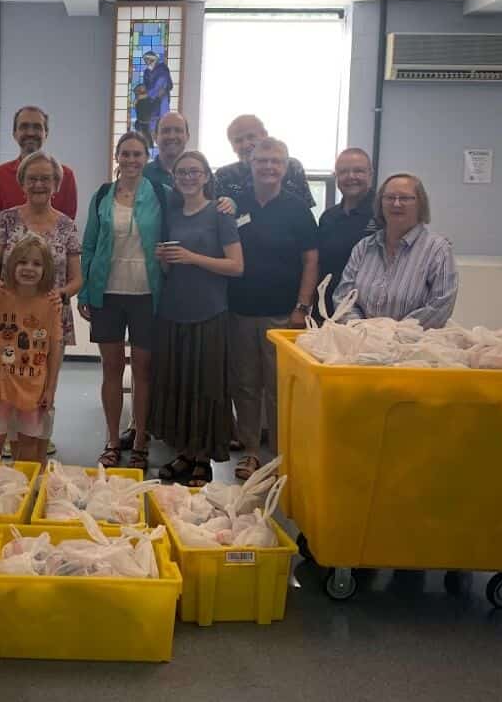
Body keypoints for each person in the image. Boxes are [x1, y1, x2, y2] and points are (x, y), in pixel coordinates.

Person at [226, 137, 318, 481]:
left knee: (279, 388)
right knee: (245, 385)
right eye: (262, 160)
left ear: (284, 166)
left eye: (275, 161)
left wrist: (302, 305)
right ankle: (250, 451)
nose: (268, 167)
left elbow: (311, 260)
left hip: (282, 314)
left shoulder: (297, 209)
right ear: (251, 163)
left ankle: (280, 453)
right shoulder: (234, 204)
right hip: (240, 311)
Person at [150, 151, 244, 487]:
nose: (188, 177)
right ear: (174, 179)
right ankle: (186, 452)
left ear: (206, 176)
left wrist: (191, 257)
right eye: (181, 173)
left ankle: (203, 458)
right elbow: (168, 267)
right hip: (173, 312)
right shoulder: (171, 214)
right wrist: (165, 259)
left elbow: (236, 266)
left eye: (194, 172)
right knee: (179, 385)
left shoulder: (220, 214)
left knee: (207, 388)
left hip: (209, 312)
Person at [79, 132, 167, 471]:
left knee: (143, 371)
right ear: (117, 157)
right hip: (108, 293)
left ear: (147, 157)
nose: (131, 160)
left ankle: (141, 439)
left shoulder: (160, 193)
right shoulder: (103, 195)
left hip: (147, 294)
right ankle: (112, 440)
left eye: (137, 154)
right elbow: (88, 245)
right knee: (111, 369)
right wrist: (86, 291)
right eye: (125, 154)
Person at [0, 150, 82, 457]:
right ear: (22, 183)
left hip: (48, 317)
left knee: (40, 381)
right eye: (33, 178)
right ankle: (7, 437)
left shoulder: (67, 226)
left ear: (56, 184)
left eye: (46, 178)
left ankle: (34, 438)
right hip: (10, 317)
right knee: (5, 379)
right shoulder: (7, 218)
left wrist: (61, 294)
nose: (39, 184)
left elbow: (78, 278)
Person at [334, 173, 458, 328]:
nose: (396, 204)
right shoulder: (364, 247)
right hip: (362, 341)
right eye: (390, 198)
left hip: (412, 345)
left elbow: (440, 307)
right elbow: (343, 297)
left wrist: (393, 335)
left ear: (420, 204)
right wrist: (361, 329)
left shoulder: (438, 250)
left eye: (405, 198)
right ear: (380, 203)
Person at [0, 237, 63, 465]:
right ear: (12, 265)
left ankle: (22, 492)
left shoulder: (51, 304)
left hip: (35, 390)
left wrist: (50, 388)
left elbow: (55, 349)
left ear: (46, 269)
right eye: (23, 262)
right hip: (2, 387)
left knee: (29, 445)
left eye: (37, 264)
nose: (29, 268)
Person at [0, 106, 78, 218]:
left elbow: (67, 226)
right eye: (24, 127)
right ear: (15, 134)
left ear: (46, 133)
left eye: (37, 127)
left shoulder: (66, 176)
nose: (30, 133)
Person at [317, 148, 376, 309]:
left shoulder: (384, 215)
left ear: (370, 174)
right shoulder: (328, 217)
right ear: (336, 176)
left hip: (366, 315)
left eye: (358, 171)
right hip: (326, 310)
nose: (351, 177)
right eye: (343, 172)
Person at [215, 114, 316, 208]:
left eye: (251, 137)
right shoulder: (224, 175)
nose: (245, 144)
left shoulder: (293, 167)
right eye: (238, 140)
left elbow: (304, 211)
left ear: (265, 136)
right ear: (232, 146)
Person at [143, 112, 190, 189]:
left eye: (178, 130)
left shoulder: (197, 176)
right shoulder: (143, 175)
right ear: (155, 137)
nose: (172, 136)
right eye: (166, 131)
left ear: (187, 136)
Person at [142, 51, 173, 125]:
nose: (146, 61)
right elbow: (146, 85)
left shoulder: (162, 68)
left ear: (153, 59)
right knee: (153, 119)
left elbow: (165, 82)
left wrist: (158, 92)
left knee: (163, 118)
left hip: (162, 96)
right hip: (151, 99)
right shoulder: (146, 72)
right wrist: (149, 95)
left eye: (147, 59)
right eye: (145, 60)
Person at [133, 84, 156, 149]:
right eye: (141, 88)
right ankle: (147, 145)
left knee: (146, 137)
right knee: (144, 137)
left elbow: (150, 109)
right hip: (142, 122)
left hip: (144, 122)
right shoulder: (140, 101)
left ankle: (148, 145)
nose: (143, 89)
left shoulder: (145, 100)